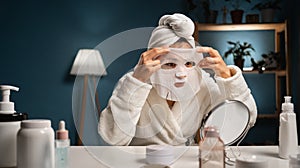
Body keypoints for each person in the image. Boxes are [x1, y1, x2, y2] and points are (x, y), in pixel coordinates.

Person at [98, 13, 257, 146]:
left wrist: (228, 78)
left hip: (186, 165)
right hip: (142, 166)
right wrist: (136, 83)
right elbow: (113, 139)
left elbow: (246, 119)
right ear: (152, 59)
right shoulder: (132, 82)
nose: (181, 73)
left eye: (188, 63)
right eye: (170, 64)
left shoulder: (201, 83)